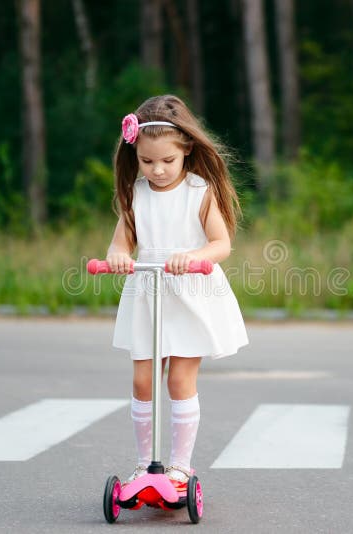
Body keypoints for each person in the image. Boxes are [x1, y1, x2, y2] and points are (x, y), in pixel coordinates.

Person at [104, 95, 248, 490]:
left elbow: (221, 244)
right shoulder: (136, 194)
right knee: (143, 381)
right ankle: (144, 466)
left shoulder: (200, 192)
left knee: (179, 380)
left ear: (186, 149)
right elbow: (120, 244)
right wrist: (117, 257)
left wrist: (194, 256)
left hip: (189, 293)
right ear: (136, 156)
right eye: (147, 161)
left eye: (167, 160)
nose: (158, 169)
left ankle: (180, 468)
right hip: (148, 293)